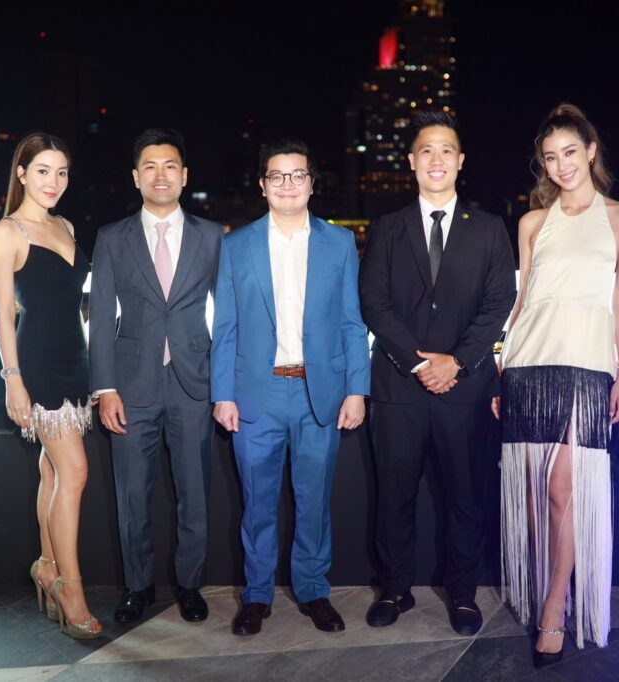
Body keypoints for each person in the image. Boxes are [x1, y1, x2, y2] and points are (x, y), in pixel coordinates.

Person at [496, 104, 619, 666]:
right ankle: (550, 589)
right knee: (538, 494)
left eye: (570, 153)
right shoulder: (533, 223)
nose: (562, 165)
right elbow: (522, 301)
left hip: (586, 364)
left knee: (564, 489)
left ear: (591, 151)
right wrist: (500, 364)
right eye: (551, 157)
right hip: (528, 362)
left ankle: (554, 606)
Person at [359, 112, 516, 636]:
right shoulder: (387, 227)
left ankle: (464, 595)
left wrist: (459, 361)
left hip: (464, 388)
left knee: (465, 497)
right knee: (393, 496)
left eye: (446, 150)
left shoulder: (488, 228)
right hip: (399, 387)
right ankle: (395, 588)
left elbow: (498, 302)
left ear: (460, 161)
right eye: (426, 150)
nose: (436, 159)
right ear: (411, 161)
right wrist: (421, 362)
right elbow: (374, 303)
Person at [211, 138, 370, 636]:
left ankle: (314, 590)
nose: (287, 184)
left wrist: (357, 389)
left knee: (313, 502)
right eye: (277, 176)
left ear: (311, 183)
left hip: (318, 394)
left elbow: (352, 322)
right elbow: (225, 326)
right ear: (263, 186)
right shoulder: (235, 245)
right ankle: (256, 596)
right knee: (256, 503)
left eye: (297, 175)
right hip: (254, 394)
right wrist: (222, 394)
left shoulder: (338, 243)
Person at [89, 128, 223, 624]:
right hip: (130, 386)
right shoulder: (112, 238)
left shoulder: (213, 236)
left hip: (194, 383)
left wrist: (224, 385)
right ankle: (137, 586)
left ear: (184, 176)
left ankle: (190, 586)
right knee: (132, 496)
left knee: (195, 495)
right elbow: (100, 317)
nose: (160, 174)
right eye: (150, 166)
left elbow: (228, 317)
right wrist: (105, 388)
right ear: (136, 177)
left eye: (169, 166)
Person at [0, 131, 102, 639]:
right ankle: (70, 589)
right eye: (42, 171)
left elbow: (71, 303)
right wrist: (13, 380)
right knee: (74, 471)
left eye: (61, 172)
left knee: (53, 472)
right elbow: (2, 315)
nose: (53, 181)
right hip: (37, 365)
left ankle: (47, 567)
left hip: (75, 360)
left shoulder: (65, 225)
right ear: (22, 173)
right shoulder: (7, 232)